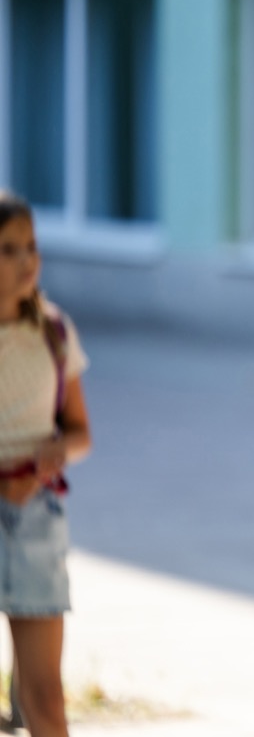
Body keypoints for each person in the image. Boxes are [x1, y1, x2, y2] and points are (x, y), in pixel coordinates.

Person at [0, 192, 92, 737]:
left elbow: (80, 432)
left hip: (36, 519)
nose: (26, 260)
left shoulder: (53, 331)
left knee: (45, 699)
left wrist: (56, 452)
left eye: (31, 246)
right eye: (7, 249)